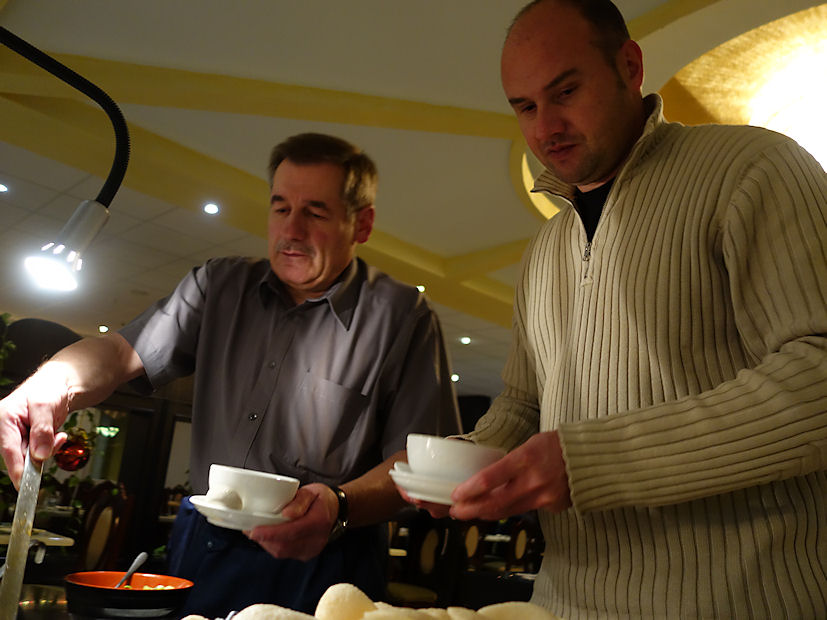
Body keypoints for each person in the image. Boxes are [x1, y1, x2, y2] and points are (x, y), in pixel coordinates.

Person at [401, 1, 827, 618]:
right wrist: (462, 466)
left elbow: (817, 374)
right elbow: (522, 406)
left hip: (741, 600)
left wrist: (588, 461)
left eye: (565, 91)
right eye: (525, 107)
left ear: (630, 66)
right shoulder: (544, 249)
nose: (546, 127)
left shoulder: (753, 168)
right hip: (558, 604)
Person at [0, 133, 461, 616]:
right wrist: (53, 383)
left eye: (315, 212)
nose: (291, 230)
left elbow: (417, 465)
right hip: (205, 544)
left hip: (327, 557)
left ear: (361, 223)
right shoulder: (219, 285)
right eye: (280, 208)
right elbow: (119, 352)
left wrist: (340, 504)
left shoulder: (402, 317)